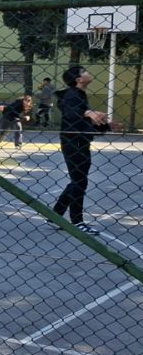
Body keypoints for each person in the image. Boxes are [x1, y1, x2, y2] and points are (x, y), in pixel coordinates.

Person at [49, 64, 117, 235]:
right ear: (79, 79)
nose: (88, 73)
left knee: (77, 180)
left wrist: (107, 126)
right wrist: (88, 112)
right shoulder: (72, 94)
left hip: (78, 142)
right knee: (79, 181)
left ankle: (55, 215)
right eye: (84, 71)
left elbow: (83, 125)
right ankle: (77, 221)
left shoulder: (78, 95)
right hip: (74, 144)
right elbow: (70, 111)